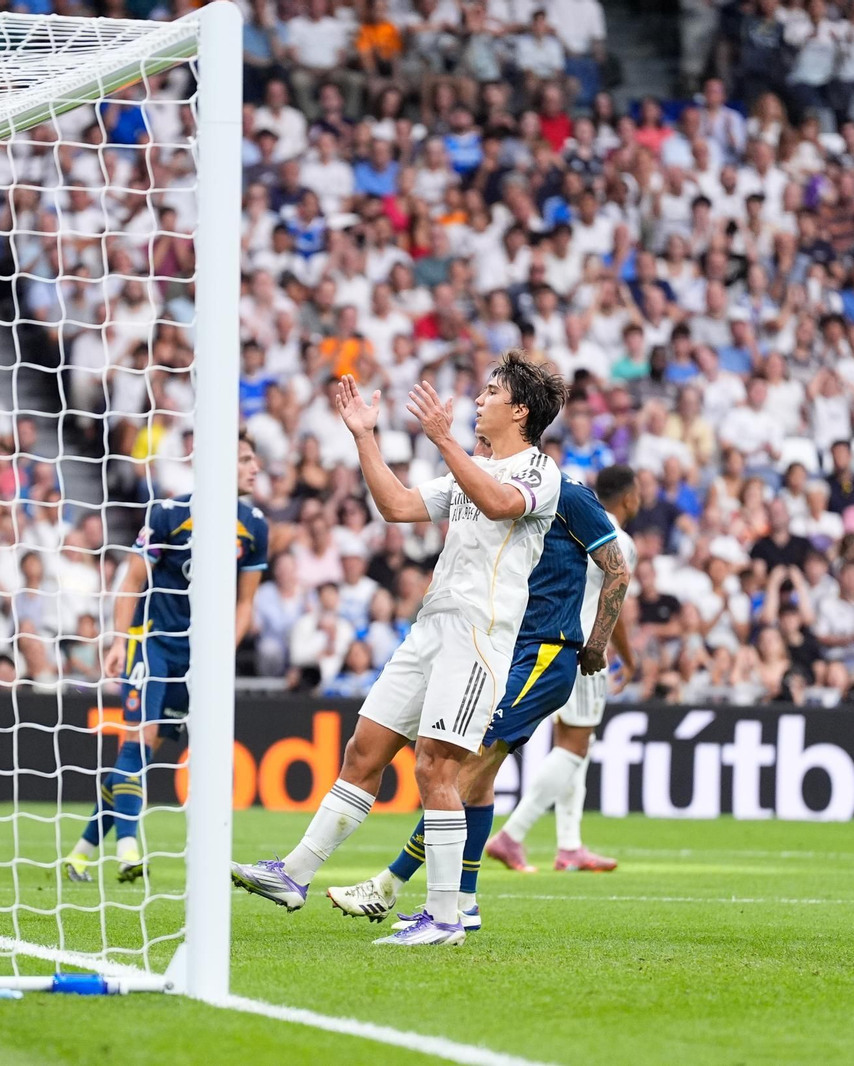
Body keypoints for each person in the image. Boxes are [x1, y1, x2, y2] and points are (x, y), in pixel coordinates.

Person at [230, 351, 567, 948]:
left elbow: (496, 503)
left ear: (519, 410)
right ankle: (295, 874)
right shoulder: (475, 466)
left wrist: (441, 440)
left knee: (435, 766)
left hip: (476, 635)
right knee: (365, 749)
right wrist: (365, 437)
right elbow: (397, 506)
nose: (480, 399)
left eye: (491, 391)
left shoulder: (538, 472)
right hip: (430, 628)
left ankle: (443, 918)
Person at [323, 462, 633, 927]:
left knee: (461, 772)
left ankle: (390, 884)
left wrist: (597, 642)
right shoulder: (503, 490)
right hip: (509, 649)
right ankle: (465, 903)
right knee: (479, 779)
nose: (479, 448)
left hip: (544, 653)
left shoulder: (562, 492)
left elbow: (618, 570)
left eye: (485, 437)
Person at [63, 434, 269, 883]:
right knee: (138, 740)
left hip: (196, 656)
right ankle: (129, 848)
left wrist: (221, 657)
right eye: (245, 459)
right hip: (150, 640)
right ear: (219, 465)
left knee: (140, 756)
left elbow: (244, 605)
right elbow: (133, 577)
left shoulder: (253, 525)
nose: (256, 467)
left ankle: (80, 852)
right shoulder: (170, 513)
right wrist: (118, 641)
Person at [483, 465, 640, 874]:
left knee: (575, 747)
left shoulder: (567, 520)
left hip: (543, 639)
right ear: (628, 497)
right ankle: (512, 835)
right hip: (586, 648)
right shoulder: (618, 539)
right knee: (574, 746)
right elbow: (615, 598)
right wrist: (627, 655)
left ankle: (570, 845)